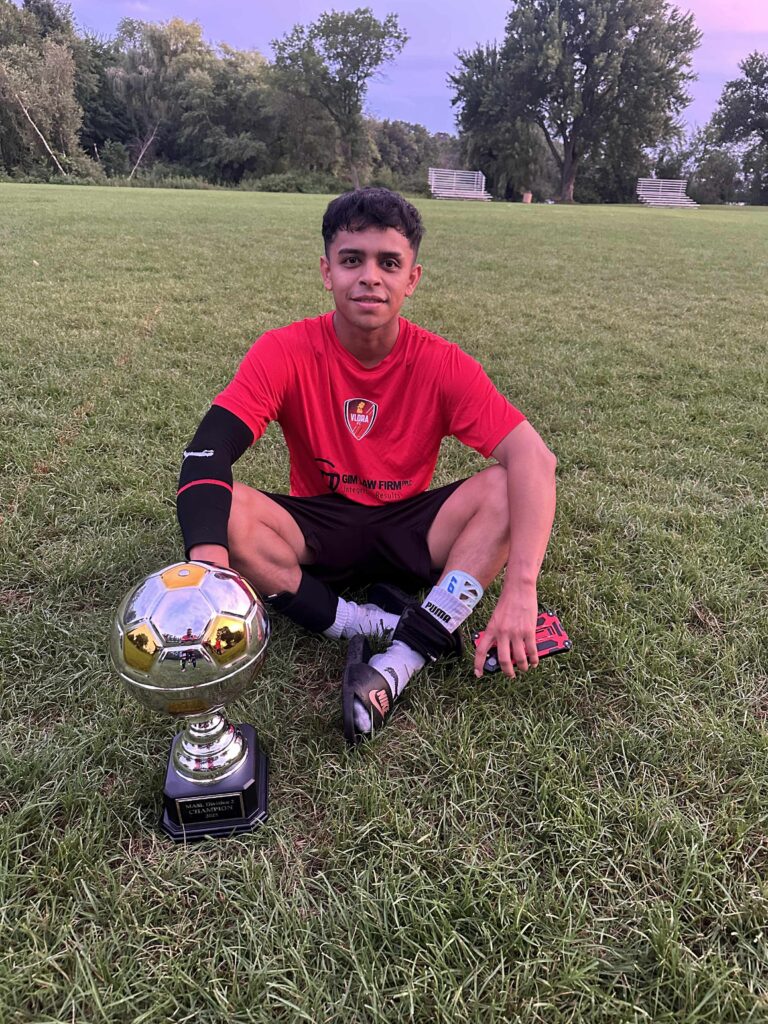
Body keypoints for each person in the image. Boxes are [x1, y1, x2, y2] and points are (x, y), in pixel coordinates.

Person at [176, 187, 557, 745]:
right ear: (327, 272)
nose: (370, 277)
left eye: (389, 263)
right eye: (352, 259)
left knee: (505, 488)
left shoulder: (442, 363)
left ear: (412, 278)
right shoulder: (284, 350)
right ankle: (361, 621)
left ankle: (403, 658)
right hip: (320, 528)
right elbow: (208, 451)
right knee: (220, 512)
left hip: (411, 530)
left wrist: (522, 587)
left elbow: (534, 458)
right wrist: (208, 571)